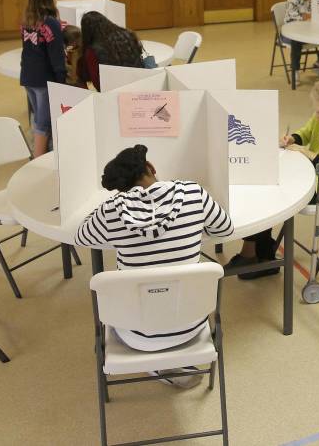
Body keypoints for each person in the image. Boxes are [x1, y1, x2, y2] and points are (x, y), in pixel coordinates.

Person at [75, 145, 234, 386]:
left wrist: (108, 210)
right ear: (151, 168)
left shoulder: (112, 211)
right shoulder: (192, 193)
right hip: (191, 323)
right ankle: (171, 363)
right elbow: (225, 229)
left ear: (122, 188)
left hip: (135, 334)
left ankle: (159, 364)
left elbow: (82, 236)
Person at [225, 75, 319, 277]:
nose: (316, 115)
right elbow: (307, 132)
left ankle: (254, 254)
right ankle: (261, 252)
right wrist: (292, 138)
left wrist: (313, 156)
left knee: (274, 190)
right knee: (268, 181)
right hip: (311, 174)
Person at [20, 0, 66, 157]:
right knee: (44, 122)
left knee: (37, 117)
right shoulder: (51, 23)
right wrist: (61, 80)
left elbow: (27, 49)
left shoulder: (27, 20)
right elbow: (56, 56)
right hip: (44, 79)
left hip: (28, 76)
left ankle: (37, 153)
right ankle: (37, 159)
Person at [77, 11, 147, 90]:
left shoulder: (92, 50)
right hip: (139, 82)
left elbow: (97, 82)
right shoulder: (128, 34)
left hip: (114, 92)